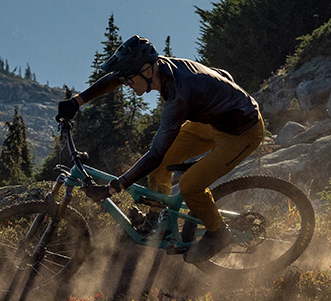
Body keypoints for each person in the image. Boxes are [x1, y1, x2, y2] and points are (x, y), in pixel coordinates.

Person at [57, 35, 263, 262]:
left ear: (146, 72)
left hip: (242, 132)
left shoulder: (178, 95)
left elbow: (155, 153)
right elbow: (116, 78)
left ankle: (218, 234)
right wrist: (77, 101)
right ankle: (157, 221)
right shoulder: (157, 67)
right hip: (211, 121)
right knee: (161, 165)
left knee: (190, 185)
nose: (126, 84)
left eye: (129, 79)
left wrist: (112, 189)